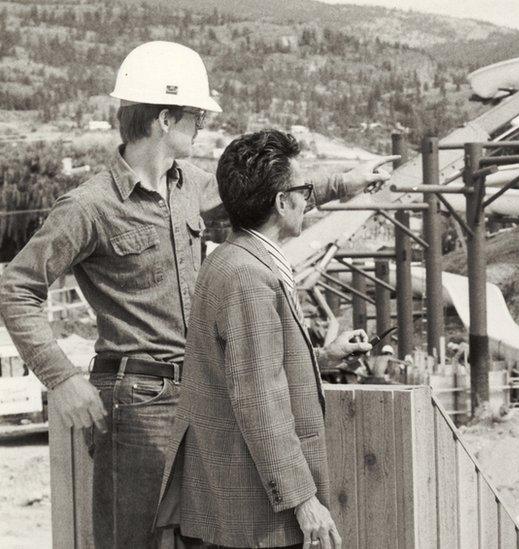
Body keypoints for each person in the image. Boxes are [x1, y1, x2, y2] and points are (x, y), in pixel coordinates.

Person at [0, 41, 392, 547]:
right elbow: (17, 287)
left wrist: (344, 180)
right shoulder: (89, 206)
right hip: (138, 406)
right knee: (134, 541)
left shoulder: (192, 186)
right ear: (165, 118)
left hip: (203, 395)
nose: (202, 125)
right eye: (196, 116)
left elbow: (270, 191)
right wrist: (62, 379)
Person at [156, 129, 361, 548]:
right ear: (282, 202)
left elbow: (246, 368)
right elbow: (257, 396)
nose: (307, 199)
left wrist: (320, 359)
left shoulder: (233, 260)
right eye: (303, 190)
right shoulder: (249, 277)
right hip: (255, 514)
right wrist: (303, 500)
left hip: (243, 506)